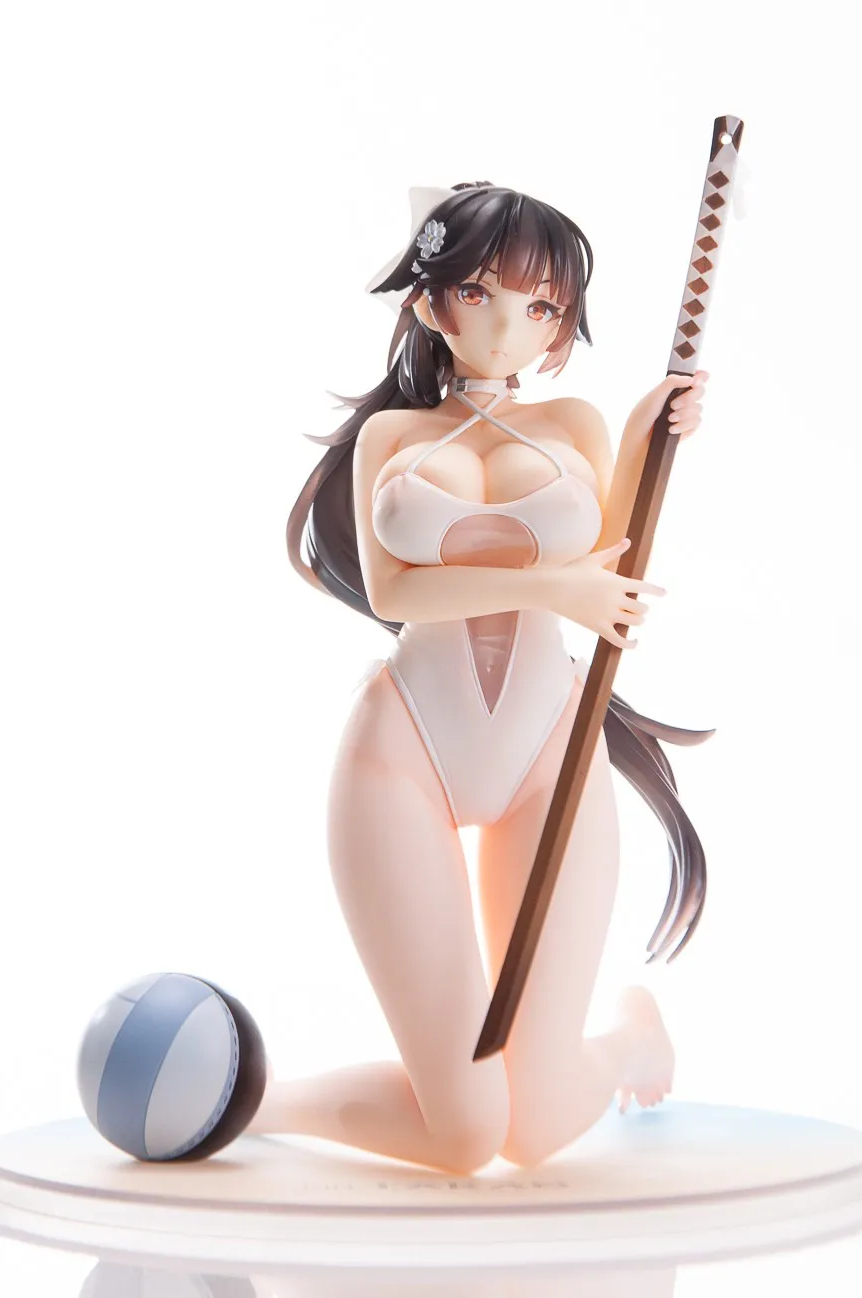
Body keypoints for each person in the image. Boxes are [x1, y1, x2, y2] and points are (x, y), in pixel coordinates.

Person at [255, 183, 711, 1174]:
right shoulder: (394, 439)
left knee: (532, 1127)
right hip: (402, 752)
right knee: (461, 1133)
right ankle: (258, 1103)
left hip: (547, 752)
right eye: (479, 293)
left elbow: (611, 559)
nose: (510, 326)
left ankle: (627, 1038)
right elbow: (397, 591)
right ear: (428, 301)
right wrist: (555, 585)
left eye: (541, 305)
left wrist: (650, 429)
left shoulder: (576, 423)